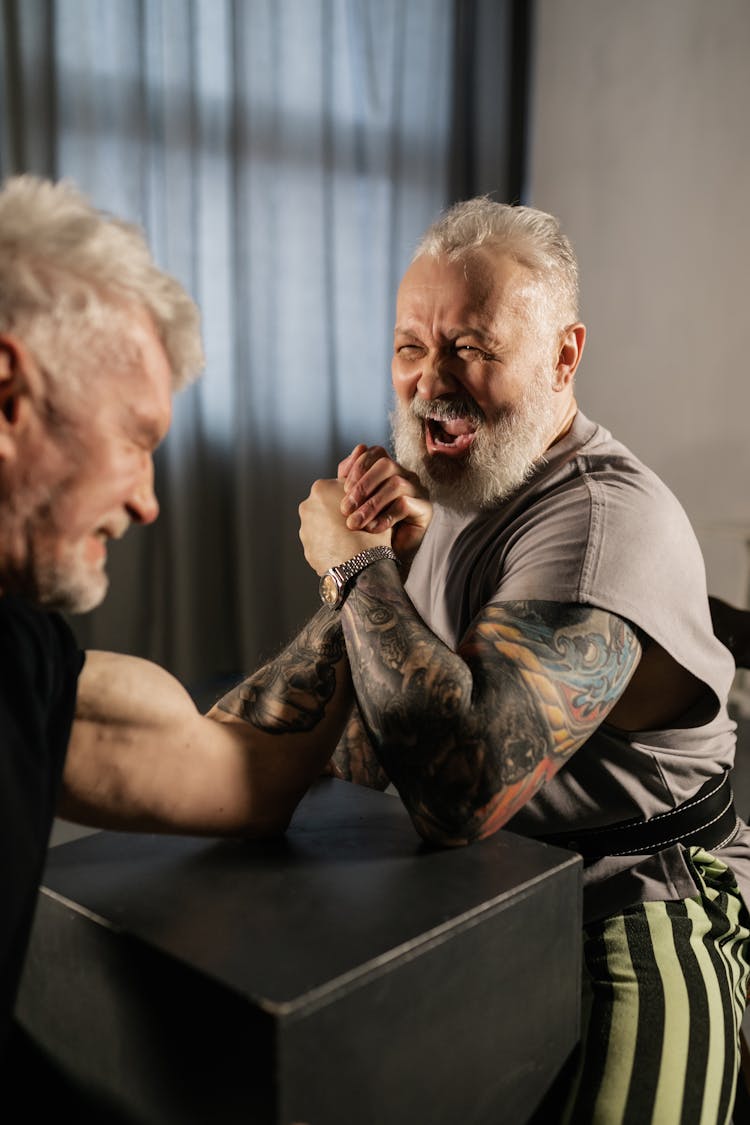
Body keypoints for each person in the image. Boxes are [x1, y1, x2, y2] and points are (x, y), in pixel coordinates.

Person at [298, 197, 750, 1124]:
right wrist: (385, 565)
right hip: (480, 887)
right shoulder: (460, 485)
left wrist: (354, 567)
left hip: (639, 896)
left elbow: (462, 787)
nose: (431, 384)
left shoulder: (601, 520)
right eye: (410, 348)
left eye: (472, 347)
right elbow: (357, 760)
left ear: (564, 356)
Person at [0, 174, 355, 1076]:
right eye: (137, 436)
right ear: (9, 397)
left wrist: (364, 575)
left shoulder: (29, 664)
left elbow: (248, 777)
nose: (150, 502)